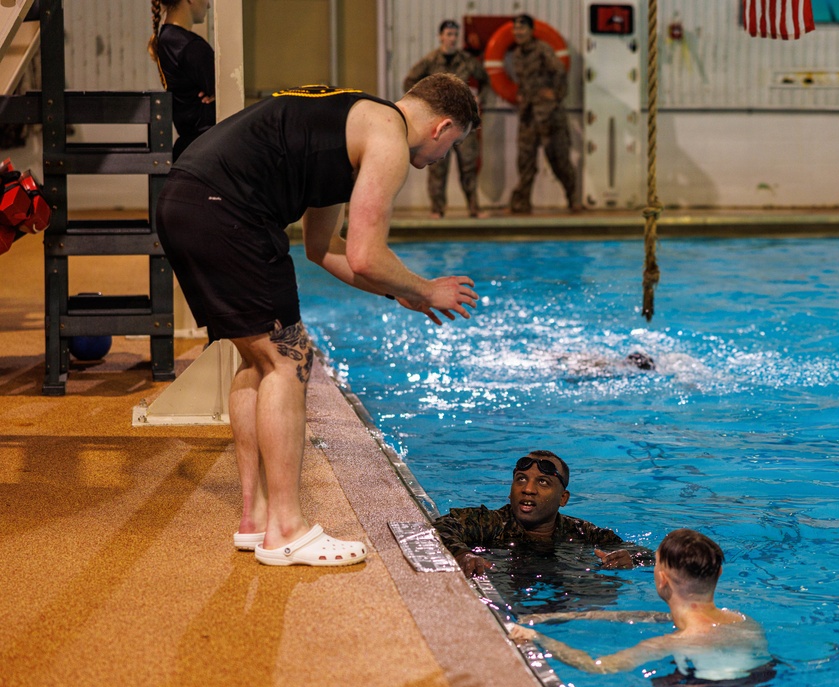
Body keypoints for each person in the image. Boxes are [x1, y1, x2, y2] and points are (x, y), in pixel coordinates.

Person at [156, 74, 481, 566]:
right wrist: (425, 287)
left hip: (184, 199)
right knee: (291, 360)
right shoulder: (389, 138)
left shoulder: (346, 125)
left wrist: (404, 293)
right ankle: (286, 530)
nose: (442, 158)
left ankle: (256, 518)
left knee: (260, 358)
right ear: (442, 126)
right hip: (229, 211)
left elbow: (322, 248)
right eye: (451, 146)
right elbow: (368, 255)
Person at [509, 529, 773, 687]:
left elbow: (597, 667)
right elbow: (656, 617)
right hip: (757, 686)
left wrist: (537, 637)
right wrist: (565, 615)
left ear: (662, 581)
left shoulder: (669, 642)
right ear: (719, 573)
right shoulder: (742, 620)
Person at [433, 450, 654, 577]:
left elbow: (650, 556)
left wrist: (631, 559)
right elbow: (442, 526)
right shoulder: (493, 523)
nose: (528, 489)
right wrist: (463, 554)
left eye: (543, 482)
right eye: (521, 479)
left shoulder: (579, 533)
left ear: (563, 499)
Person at [404, 20, 489, 219]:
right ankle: (437, 209)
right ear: (441, 36)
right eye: (449, 34)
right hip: (438, 123)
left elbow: (485, 79)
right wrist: (423, 107)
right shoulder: (431, 61)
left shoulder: (467, 60)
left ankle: (474, 208)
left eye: (455, 35)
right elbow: (409, 81)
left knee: (468, 165)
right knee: (436, 166)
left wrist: (478, 99)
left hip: (462, 123)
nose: (452, 39)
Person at [508, 14, 581, 214]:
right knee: (525, 161)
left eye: (522, 29)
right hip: (529, 116)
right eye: (516, 29)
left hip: (549, 115)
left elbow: (559, 71)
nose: (518, 33)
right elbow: (524, 81)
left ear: (531, 31)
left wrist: (555, 95)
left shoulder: (542, 50)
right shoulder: (517, 55)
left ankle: (573, 199)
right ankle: (522, 203)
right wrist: (522, 95)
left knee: (559, 160)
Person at [147, 0, 216, 161]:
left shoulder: (167, 38)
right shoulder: (190, 46)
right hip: (205, 151)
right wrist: (218, 95)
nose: (208, 5)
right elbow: (225, 94)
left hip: (193, 148)